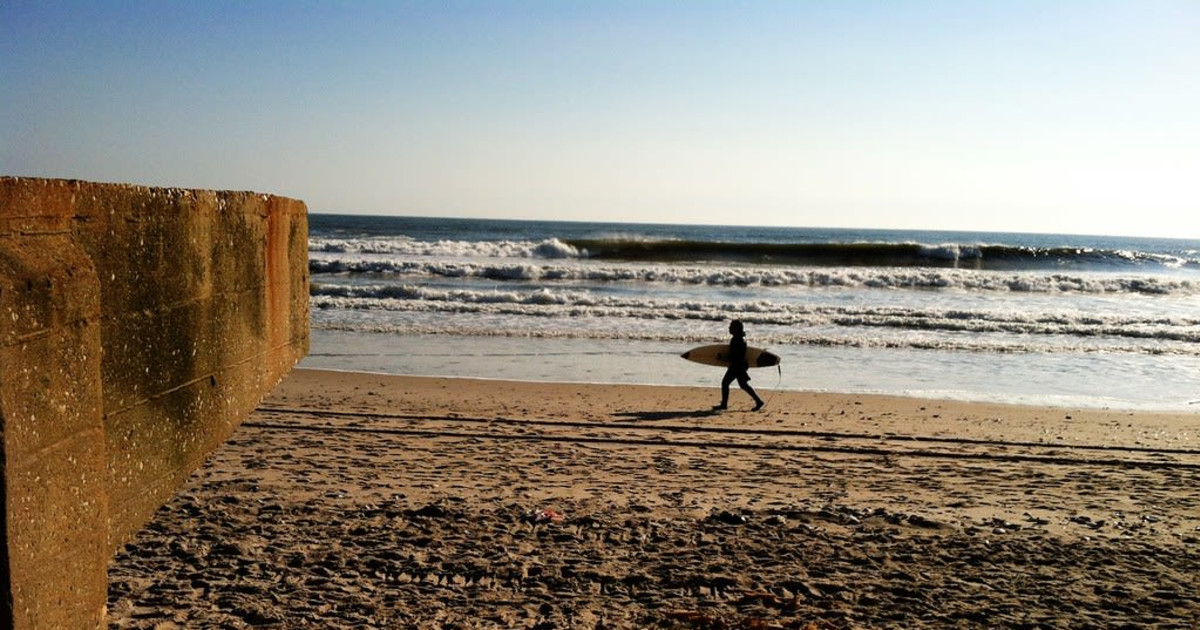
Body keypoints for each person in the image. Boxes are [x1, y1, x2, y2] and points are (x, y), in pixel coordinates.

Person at [714, 319, 765, 411]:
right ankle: (758, 401)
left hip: (737, 366)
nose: (729, 328)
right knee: (743, 385)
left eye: (731, 327)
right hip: (740, 365)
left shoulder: (736, 340)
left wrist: (723, 358)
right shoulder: (740, 339)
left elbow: (735, 356)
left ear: (736, 329)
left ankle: (724, 404)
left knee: (725, 383)